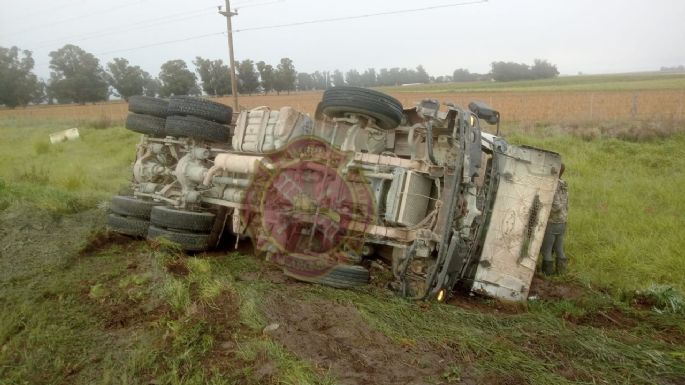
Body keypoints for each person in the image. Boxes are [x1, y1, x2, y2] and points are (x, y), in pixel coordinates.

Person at [541, 163, 568, 275]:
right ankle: (562, 273)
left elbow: (556, 206)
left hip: (552, 221)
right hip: (562, 221)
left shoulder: (554, 186)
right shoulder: (564, 185)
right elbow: (566, 204)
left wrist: (544, 206)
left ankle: (546, 274)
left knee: (546, 250)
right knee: (559, 249)